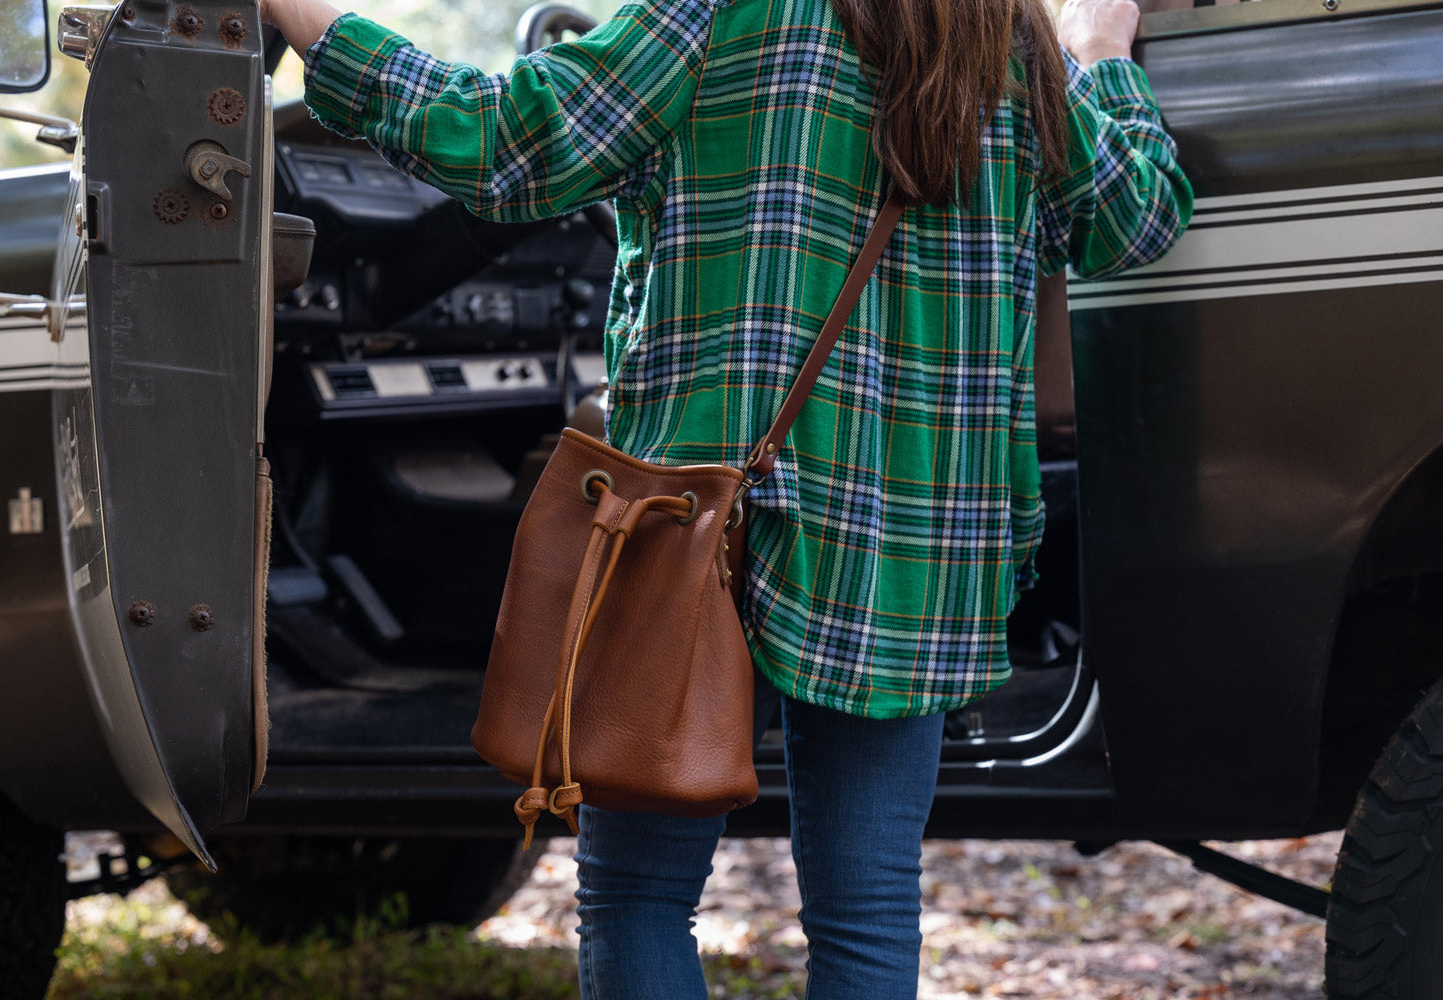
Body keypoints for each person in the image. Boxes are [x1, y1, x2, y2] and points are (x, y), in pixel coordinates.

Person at [261, 0, 1192, 993]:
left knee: (637, 897)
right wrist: (1101, 52)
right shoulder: (1008, 37)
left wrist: (303, 13)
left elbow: (501, 138)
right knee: (868, 909)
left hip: (696, 525)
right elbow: (1135, 218)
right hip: (920, 538)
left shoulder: (721, 9)